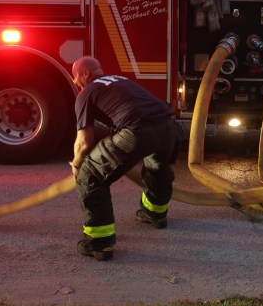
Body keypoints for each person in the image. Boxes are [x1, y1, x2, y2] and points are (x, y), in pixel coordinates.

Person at [70, 56, 181, 261]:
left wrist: (77, 164)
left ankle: (99, 244)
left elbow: (84, 142)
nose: (75, 82)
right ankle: (155, 214)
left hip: (137, 131)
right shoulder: (119, 80)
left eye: (75, 76)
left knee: (91, 177)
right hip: (168, 127)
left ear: (85, 73)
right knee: (157, 166)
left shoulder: (86, 92)